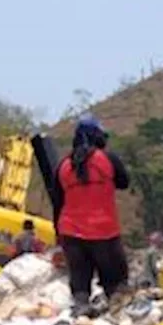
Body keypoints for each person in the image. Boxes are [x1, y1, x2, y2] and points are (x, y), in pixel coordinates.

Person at [55, 114, 130, 305]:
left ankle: (81, 313)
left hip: (70, 233)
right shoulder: (107, 159)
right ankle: (117, 314)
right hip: (103, 231)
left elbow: (58, 201)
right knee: (115, 282)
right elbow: (124, 182)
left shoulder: (63, 166)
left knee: (80, 283)